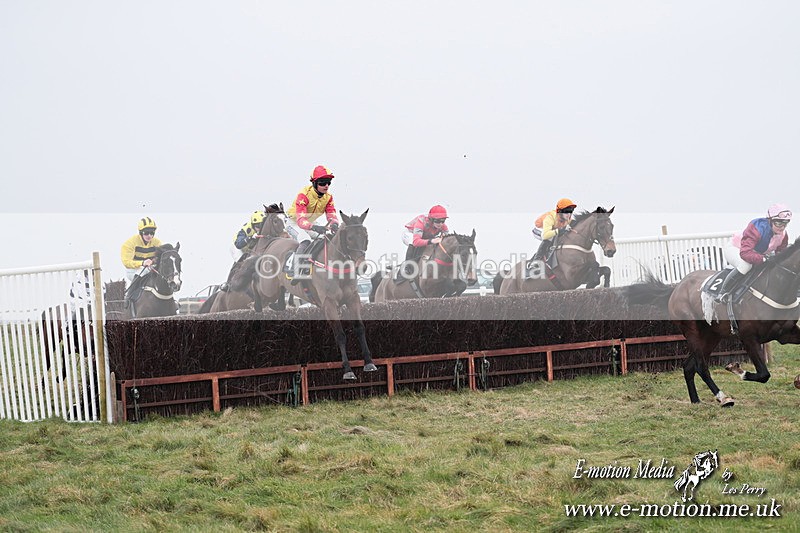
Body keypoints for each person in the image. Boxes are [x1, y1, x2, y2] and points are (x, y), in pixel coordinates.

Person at [719, 203, 791, 299]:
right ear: (770, 220)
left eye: (785, 223)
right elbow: (745, 253)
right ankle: (723, 292)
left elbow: (782, 254)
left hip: (756, 254)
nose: (782, 227)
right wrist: (763, 259)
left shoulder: (783, 235)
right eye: (778, 223)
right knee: (746, 266)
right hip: (737, 249)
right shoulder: (757, 228)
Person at [285, 165, 340, 281]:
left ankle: (315, 265)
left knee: (325, 238)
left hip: (310, 222)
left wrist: (334, 224)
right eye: (322, 183)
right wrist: (314, 227)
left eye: (328, 182)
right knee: (305, 240)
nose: (326, 186)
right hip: (294, 222)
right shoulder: (303, 195)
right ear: (314, 183)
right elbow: (301, 220)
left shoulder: (328, 197)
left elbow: (331, 214)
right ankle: (296, 270)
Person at [401, 205, 449, 276]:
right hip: (410, 234)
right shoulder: (421, 221)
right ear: (431, 219)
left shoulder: (443, 226)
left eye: (443, 221)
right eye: (438, 221)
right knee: (412, 242)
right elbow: (416, 242)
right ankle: (408, 267)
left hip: (425, 237)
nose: (440, 224)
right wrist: (431, 241)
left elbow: (446, 238)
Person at [531, 198, 577, 262]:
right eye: (566, 211)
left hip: (551, 230)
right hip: (540, 230)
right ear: (560, 211)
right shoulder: (550, 217)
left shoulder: (567, 218)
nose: (568, 214)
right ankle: (536, 261)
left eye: (570, 211)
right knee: (550, 238)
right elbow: (545, 235)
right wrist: (559, 230)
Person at [121, 217, 163, 283]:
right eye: (146, 233)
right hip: (133, 270)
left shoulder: (157, 243)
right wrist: (142, 263)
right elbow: (126, 262)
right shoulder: (130, 243)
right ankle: (132, 289)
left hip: (150, 268)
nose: (149, 235)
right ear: (140, 232)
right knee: (144, 271)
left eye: (152, 233)